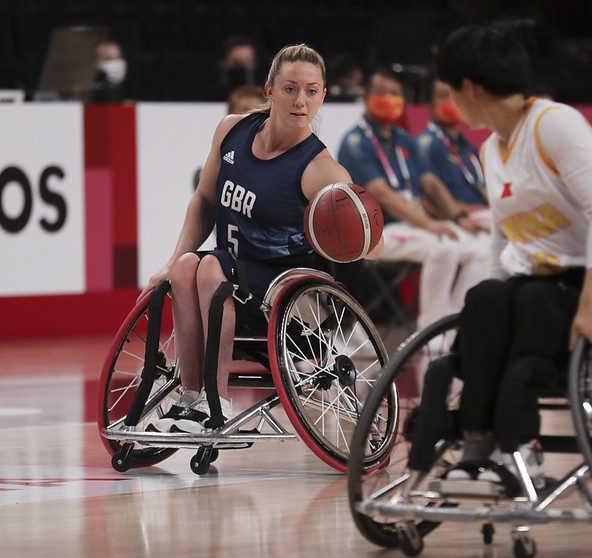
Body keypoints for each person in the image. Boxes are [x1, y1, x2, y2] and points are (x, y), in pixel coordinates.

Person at [139, 43, 381, 433]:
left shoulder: (322, 170)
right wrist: (170, 261)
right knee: (187, 266)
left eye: (312, 90)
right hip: (228, 272)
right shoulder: (232, 130)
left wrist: (360, 237)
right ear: (269, 90)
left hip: (280, 288)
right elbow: (204, 199)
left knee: (210, 267)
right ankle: (191, 398)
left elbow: (370, 242)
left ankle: (216, 405)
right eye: (290, 88)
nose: (301, 101)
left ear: (322, 95)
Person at [435, 24, 592, 488]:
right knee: (487, 299)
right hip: (537, 283)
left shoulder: (555, 125)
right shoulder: (490, 149)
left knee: (533, 306)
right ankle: (477, 443)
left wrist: (591, 305)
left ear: (470, 88)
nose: (450, 101)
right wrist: (489, 297)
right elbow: (502, 238)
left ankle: (522, 448)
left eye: (450, 90)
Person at [337, 67, 490, 329]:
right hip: (377, 233)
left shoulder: (404, 139)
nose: (391, 99)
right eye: (383, 93)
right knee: (444, 247)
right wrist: (428, 223)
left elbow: (430, 183)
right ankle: (432, 330)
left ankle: (455, 323)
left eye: (396, 94)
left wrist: (459, 217)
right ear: (365, 98)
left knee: (483, 249)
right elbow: (383, 194)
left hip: (411, 227)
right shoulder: (355, 142)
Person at [416, 77, 489, 227]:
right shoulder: (426, 145)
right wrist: (467, 215)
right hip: (454, 220)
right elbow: (429, 204)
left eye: (454, 95)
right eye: (444, 96)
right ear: (431, 106)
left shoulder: (468, 146)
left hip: (482, 214)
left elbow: (481, 187)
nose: (452, 101)